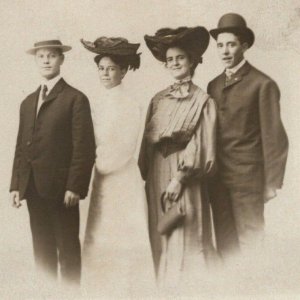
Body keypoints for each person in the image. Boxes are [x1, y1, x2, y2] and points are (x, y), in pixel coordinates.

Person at [9, 40, 95, 284]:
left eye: (52, 56)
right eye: (41, 56)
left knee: (67, 250)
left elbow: (84, 148)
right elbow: (20, 146)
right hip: (33, 187)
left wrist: (75, 186)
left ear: (62, 60)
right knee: (42, 251)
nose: (46, 60)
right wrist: (16, 185)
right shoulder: (27, 102)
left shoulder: (75, 99)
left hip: (61, 190)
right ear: (36, 60)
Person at [139, 27, 217, 286]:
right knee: (161, 231)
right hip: (157, 173)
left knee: (186, 233)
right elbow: (146, 144)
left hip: (185, 175)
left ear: (192, 61)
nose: (174, 63)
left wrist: (180, 178)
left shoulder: (203, 100)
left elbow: (201, 143)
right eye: (170, 59)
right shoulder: (158, 99)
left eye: (180, 58)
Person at [207, 13, 289, 258]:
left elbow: (275, 138)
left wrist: (272, 183)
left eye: (231, 44)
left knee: (251, 242)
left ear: (244, 45)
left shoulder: (262, 84)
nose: (224, 51)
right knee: (225, 243)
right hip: (217, 179)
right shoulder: (213, 85)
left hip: (248, 181)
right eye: (220, 45)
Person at [80, 37, 154, 294]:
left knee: (121, 237)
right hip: (101, 179)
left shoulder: (129, 103)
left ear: (123, 71)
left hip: (121, 179)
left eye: (112, 68)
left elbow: (123, 149)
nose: (106, 74)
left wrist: (95, 160)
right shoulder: (97, 101)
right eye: (101, 68)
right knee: (100, 238)